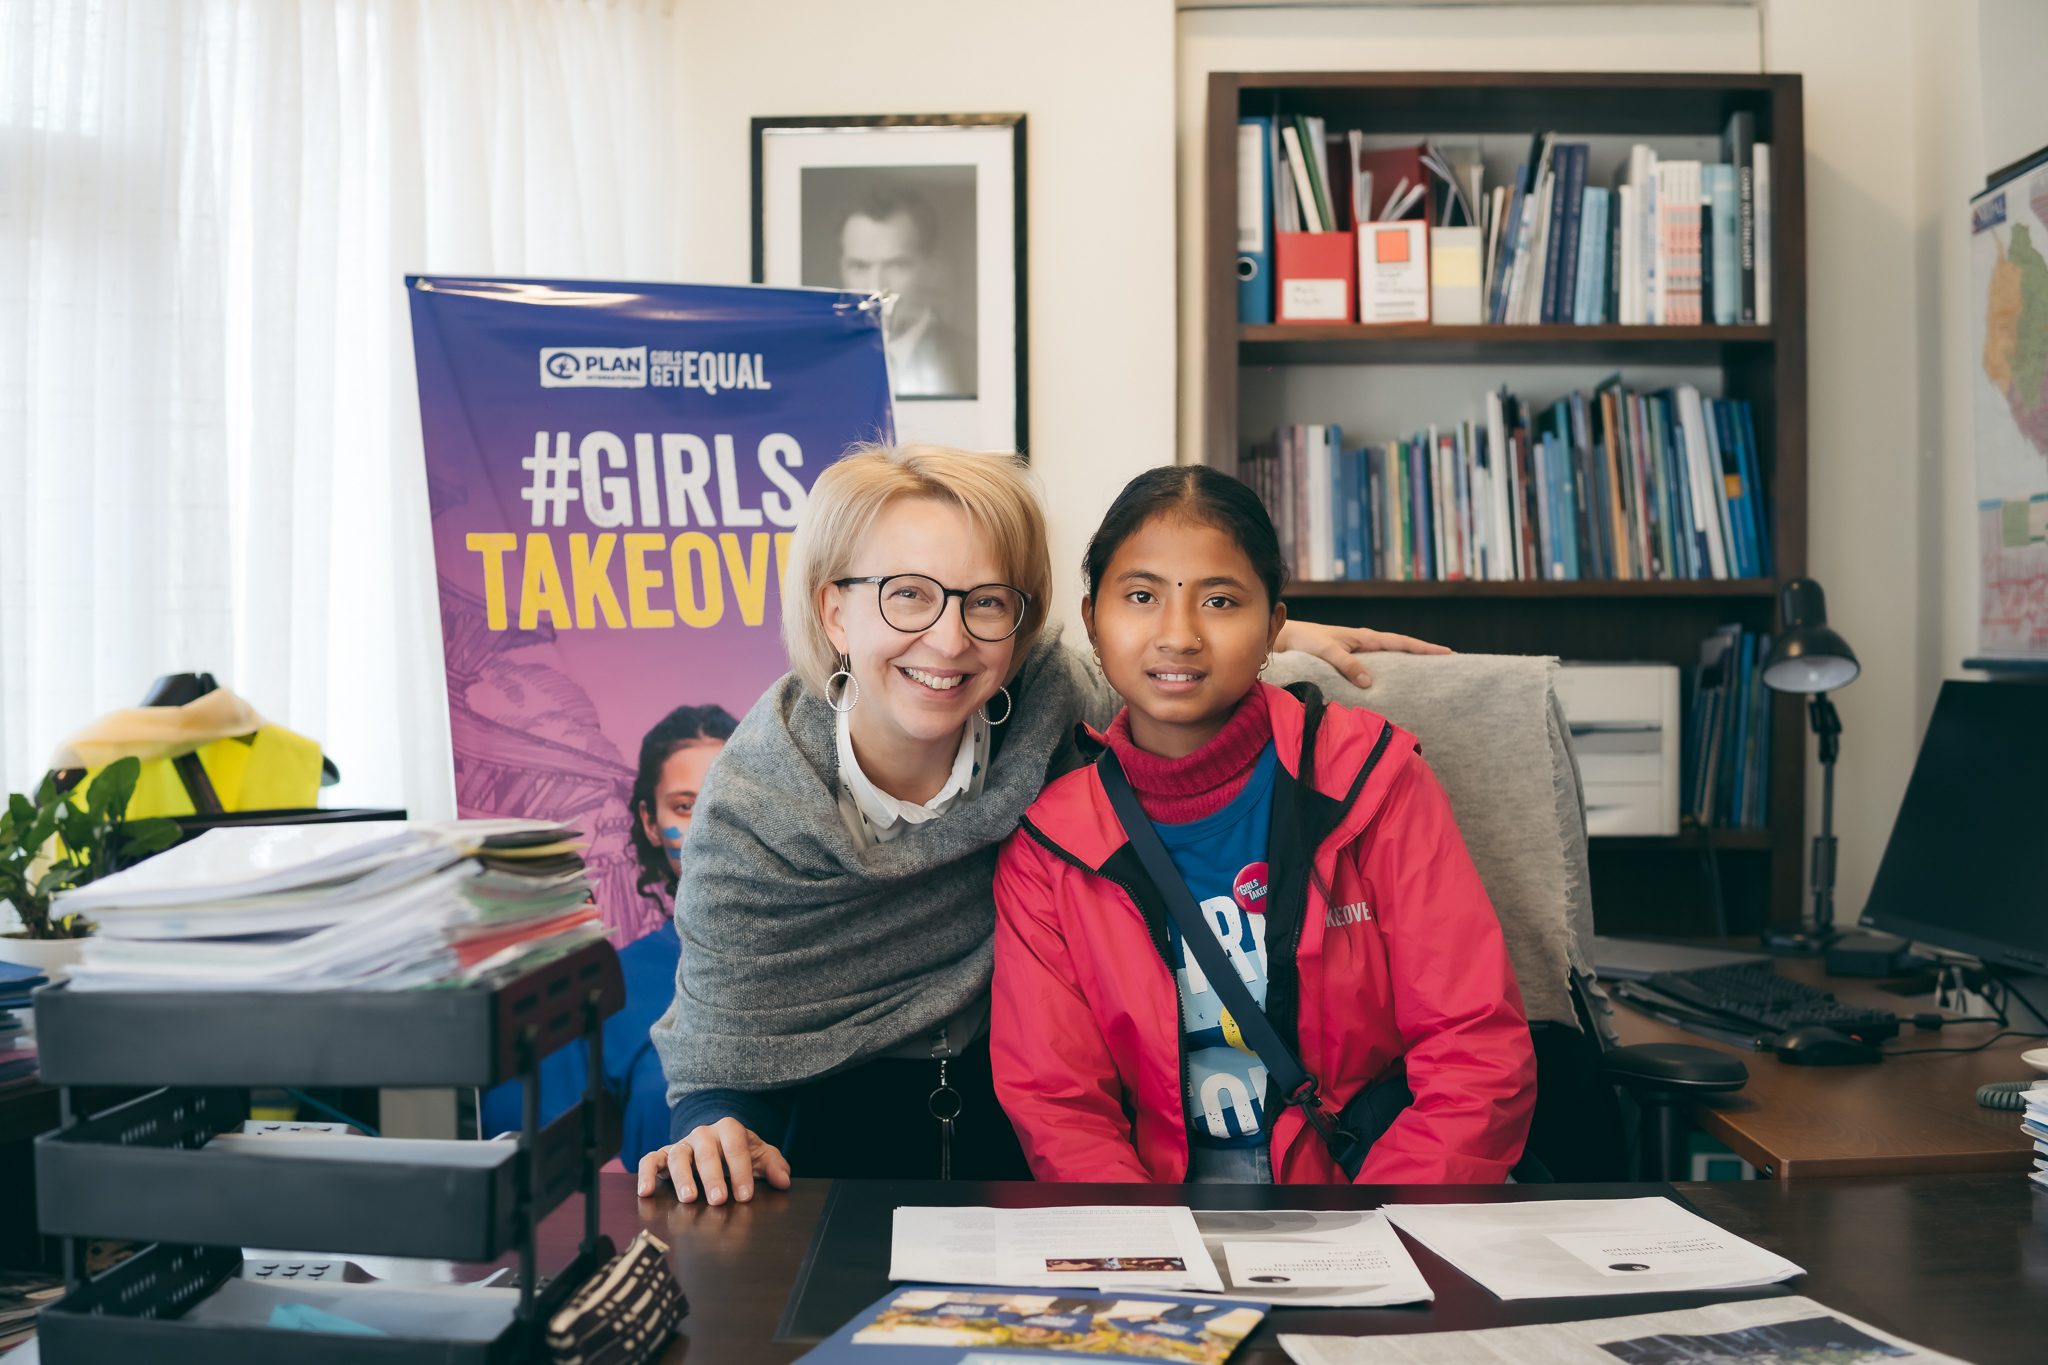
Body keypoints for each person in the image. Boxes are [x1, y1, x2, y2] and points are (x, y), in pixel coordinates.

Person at [637, 444, 1447, 1205]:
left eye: (987, 601)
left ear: (1021, 629)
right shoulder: (753, 806)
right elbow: (725, 1046)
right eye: (907, 593)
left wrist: (1262, 632)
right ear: (835, 612)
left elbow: (1157, 660)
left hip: (1019, 1112)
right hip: (837, 1123)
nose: (949, 639)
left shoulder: (1055, 708)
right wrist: (714, 1125)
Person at [990, 464, 1535, 1185]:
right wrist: (1145, 1242)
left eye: (1220, 600)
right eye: (1142, 596)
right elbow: (1060, 1106)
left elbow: (1474, 1050)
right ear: (1092, 620)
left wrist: (1377, 1230)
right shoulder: (1050, 849)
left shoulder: (1372, 782)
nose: (1178, 635)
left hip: (1369, 1195)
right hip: (1157, 1215)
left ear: (1274, 626)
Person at [483, 703, 737, 1162]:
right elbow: (524, 1149)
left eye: (726, 799)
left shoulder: (826, 958)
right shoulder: (609, 984)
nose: (706, 826)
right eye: (685, 806)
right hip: (670, 1211)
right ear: (650, 822)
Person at [837, 188, 973, 398]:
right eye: (859, 266)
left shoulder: (975, 358)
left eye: (896, 265)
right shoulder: (817, 363)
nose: (875, 288)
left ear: (930, 268)